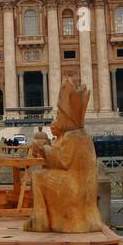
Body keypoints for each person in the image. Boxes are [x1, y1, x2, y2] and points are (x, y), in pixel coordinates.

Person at [26, 78, 101, 233]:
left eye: (60, 117)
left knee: (37, 177)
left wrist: (44, 149)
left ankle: (40, 221)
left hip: (74, 190)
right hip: (83, 190)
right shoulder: (82, 135)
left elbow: (63, 161)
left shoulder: (72, 136)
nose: (57, 120)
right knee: (42, 175)